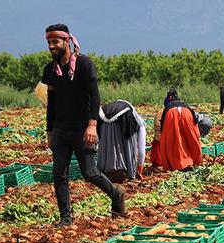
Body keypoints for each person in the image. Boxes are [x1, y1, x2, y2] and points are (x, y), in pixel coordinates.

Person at [42, 23, 125, 227]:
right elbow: (51, 102)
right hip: (61, 130)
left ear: (66, 41)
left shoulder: (84, 64)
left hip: (82, 129)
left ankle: (116, 194)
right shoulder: (50, 70)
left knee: (89, 172)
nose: (52, 46)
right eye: (49, 42)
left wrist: (91, 125)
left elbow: (94, 96)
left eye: (55, 42)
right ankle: (66, 218)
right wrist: (49, 130)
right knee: (59, 174)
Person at [151, 88, 204, 172]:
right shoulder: (184, 104)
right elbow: (195, 121)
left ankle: (176, 164)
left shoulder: (165, 108)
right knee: (192, 139)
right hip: (187, 113)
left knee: (172, 141)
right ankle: (195, 161)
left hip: (171, 114)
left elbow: (160, 125)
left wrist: (160, 135)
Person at [97, 100, 147, 183]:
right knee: (128, 143)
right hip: (124, 113)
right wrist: (139, 168)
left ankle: (106, 169)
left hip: (103, 115)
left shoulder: (108, 107)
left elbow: (99, 141)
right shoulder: (140, 124)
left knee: (107, 140)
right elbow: (141, 148)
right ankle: (125, 170)